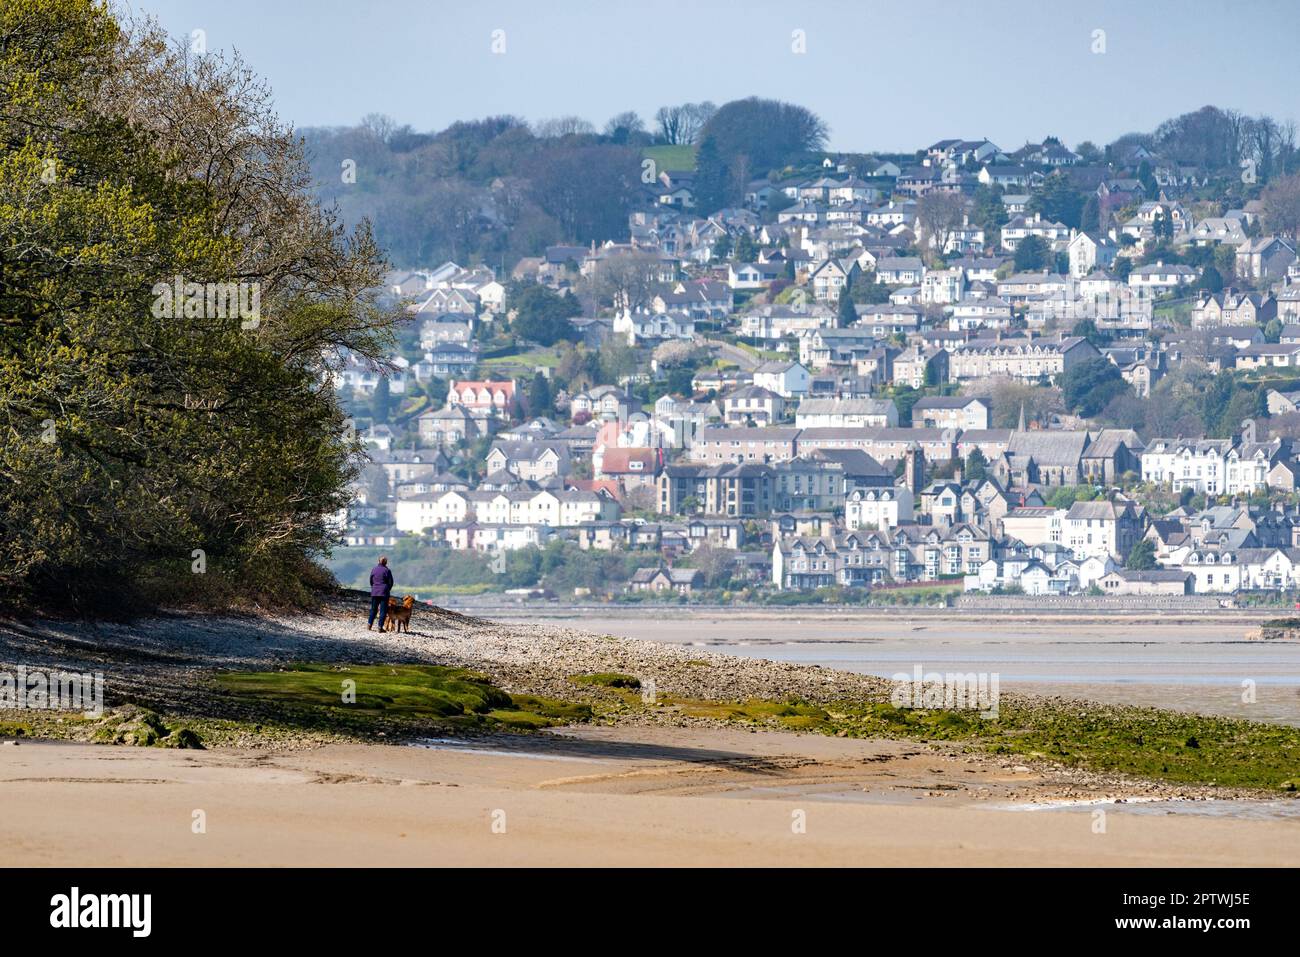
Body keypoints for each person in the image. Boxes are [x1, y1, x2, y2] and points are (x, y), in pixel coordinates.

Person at [367, 556, 394, 631]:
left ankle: (369, 624)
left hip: (375, 591)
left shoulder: (374, 569)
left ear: (378, 561)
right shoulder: (387, 570)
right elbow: (391, 582)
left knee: (373, 609)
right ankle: (380, 627)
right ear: (386, 562)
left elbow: (371, 581)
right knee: (383, 610)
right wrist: (388, 589)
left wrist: (374, 587)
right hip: (384, 592)